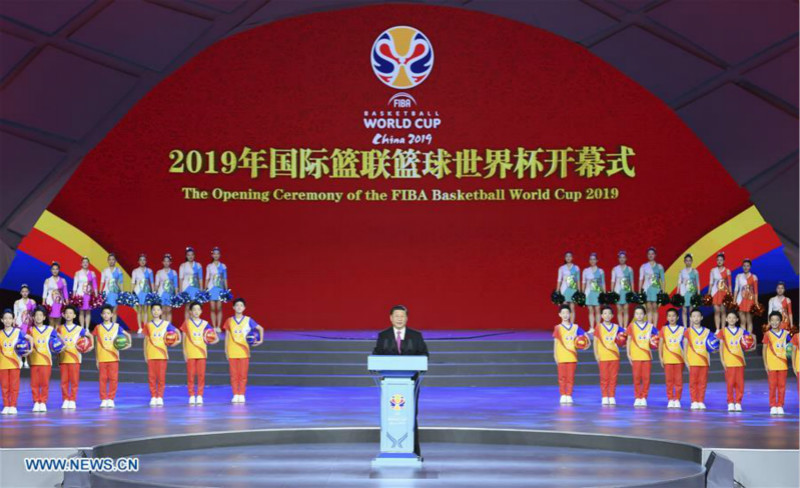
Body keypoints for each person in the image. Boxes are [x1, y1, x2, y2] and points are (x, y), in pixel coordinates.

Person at [372, 305, 429, 458]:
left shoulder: (416, 336)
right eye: (396, 316)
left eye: (402, 316)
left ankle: (414, 451)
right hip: (389, 385)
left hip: (411, 384)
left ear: (406, 318)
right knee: (391, 415)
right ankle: (389, 449)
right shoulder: (383, 336)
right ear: (391, 318)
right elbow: (376, 355)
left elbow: (425, 355)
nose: (399, 318)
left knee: (410, 416)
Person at [222, 298, 264, 404]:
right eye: (237, 305)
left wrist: (260, 340)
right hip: (232, 351)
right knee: (234, 375)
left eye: (241, 305)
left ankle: (242, 394)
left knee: (243, 375)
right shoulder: (229, 321)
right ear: (233, 307)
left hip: (244, 351)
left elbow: (261, 328)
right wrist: (226, 350)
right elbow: (227, 336)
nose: (239, 307)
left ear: (244, 308)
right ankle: (235, 394)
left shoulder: (248, 320)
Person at [92, 305, 132, 408]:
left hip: (114, 357)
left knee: (113, 379)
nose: (106, 315)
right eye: (104, 313)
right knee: (102, 379)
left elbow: (127, 335)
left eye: (108, 313)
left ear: (112, 315)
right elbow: (96, 344)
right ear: (101, 315)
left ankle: (111, 398)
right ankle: (103, 399)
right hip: (102, 358)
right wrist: (97, 359)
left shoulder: (116, 327)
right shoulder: (98, 327)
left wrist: (129, 344)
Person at [142, 304, 180, 407]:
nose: (156, 311)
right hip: (151, 354)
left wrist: (177, 341)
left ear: (161, 312)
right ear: (151, 312)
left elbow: (176, 331)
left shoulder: (166, 324)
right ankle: (153, 396)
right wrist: (145, 354)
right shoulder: (148, 325)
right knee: (151, 377)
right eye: (154, 310)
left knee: (161, 378)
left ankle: (160, 397)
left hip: (162, 355)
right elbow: (145, 341)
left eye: (158, 310)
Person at [182, 302, 218, 405]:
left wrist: (208, 340)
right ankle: (192, 395)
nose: (196, 311)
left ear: (201, 311)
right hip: (191, 353)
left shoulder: (205, 324)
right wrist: (185, 353)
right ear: (190, 312)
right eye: (194, 309)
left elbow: (215, 338)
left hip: (202, 354)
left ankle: (200, 395)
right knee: (190, 376)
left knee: (201, 375)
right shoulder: (187, 323)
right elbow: (184, 340)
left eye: (198, 309)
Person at [552, 304, 587, 405]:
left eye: (567, 313)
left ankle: (569, 395)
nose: (565, 315)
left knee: (570, 377)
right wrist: (555, 355)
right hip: (561, 356)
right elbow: (556, 342)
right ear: (559, 315)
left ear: (570, 314)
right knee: (562, 377)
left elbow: (585, 337)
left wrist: (585, 345)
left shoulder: (575, 327)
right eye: (563, 313)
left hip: (572, 356)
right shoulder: (557, 328)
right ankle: (563, 394)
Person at [57, 305, 92, 409]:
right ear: (63, 315)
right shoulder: (60, 329)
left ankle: (72, 399)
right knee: (64, 381)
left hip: (75, 358)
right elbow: (55, 342)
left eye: (71, 313)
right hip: (63, 358)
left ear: (74, 315)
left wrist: (91, 346)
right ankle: (65, 399)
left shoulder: (78, 329)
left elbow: (89, 335)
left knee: (74, 381)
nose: (68, 315)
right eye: (66, 313)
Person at [716, 311, 750, 412]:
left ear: (737, 319)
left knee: (740, 384)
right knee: (730, 384)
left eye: (733, 318)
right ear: (726, 319)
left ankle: (738, 403)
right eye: (729, 318)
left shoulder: (742, 331)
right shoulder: (723, 331)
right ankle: (730, 402)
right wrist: (722, 361)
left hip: (739, 362)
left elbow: (749, 343)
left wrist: (749, 345)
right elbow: (721, 347)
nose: (731, 319)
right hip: (728, 362)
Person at [1, 309, 32, 415]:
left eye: (10, 318)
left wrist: (30, 350)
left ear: (13, 319)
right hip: (3, 365)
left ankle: (13, 406)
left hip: (15, 364)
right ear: (2, 320)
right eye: (5, 318)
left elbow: (30, 338)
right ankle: (6, 406)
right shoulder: (0, 334)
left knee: (14, 386)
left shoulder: (18, 332)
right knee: (5, 386)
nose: (8, 320)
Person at [29, 306, 57, 412]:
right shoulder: (30, 330)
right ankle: (36, 402)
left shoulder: (50, 330)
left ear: (44, 317)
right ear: (33, 317)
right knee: (34, 383)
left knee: (45, 383)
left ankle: (43, 402)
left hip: (46, 361)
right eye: (36, 315)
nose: (38, 317)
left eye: (41, 315)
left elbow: (56, 342)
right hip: (34, 361)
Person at [626, 305, 654, 407]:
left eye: (641, 313)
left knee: (646, 378)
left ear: (645, 315)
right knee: (637, 378)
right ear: (634, 315)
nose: (639, 315)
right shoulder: (631, 326)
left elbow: (657, 337)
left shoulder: (650, 326)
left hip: (647, 356)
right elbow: (628, 340)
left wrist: (653, 341)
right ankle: (637, 397)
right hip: (636, 356)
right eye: (637, 314)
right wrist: (628, 354)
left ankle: (644, 397)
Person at [593, 306, 620, 406]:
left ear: (612, 315)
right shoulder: (598, 327)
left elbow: (624, 337)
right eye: (605, 313)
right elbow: (595, 342)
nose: (607, 315)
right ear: (601, 315)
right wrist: (596, 355)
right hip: (603, 357)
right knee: (604, 378)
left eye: (609, 313)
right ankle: (604, 396)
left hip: (614, 356)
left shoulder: (617, 327)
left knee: (613, 378)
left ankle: (612, 396)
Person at [684, 309, 710, 410]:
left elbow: (712, 346)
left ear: (701, 317)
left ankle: (701, 401)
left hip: (704, 361)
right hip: (693, 361)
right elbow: (685, 348)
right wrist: (686, 361)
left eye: (698, 316)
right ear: (690, 318)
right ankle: (694, 401)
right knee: (693, 383)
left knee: (702, 383)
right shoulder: (688, 332)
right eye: (693, 316)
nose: (696, 318)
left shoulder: (707, 331)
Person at [762, 311, 788, 416]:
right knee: (772, 386)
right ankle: (773, 405)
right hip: (771, 365)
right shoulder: (767, 334)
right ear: (769, 321)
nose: (774, 322)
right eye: (772, 320)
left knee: (782, 386)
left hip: (783, 364)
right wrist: (765, 364)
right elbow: (764, 350)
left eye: (777, 320)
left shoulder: (786, 334)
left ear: (780, 321)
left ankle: (780, 405)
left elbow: (791, 347)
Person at [659, 308, 685, 408]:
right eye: (669, 316)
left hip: (679, 359)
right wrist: (661, 357)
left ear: (677, 317)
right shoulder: (664, 329)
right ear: (667, 318)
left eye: (673, 316)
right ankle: (670, 399)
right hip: (668, 359)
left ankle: (677, 399)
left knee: (678, 381)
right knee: (669, 381)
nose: (671, 318)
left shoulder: (682, 330)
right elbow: (661, 344)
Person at [639, 247, 665, 326]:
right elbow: (641, 279)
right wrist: (640, 291)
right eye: (649, 254)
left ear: (655, 255)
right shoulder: (643, 266)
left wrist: (663, 292)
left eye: (652, 254)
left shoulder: (660, 267)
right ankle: (650, 327)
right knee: (648, 309)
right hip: (646, 289)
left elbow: (663, 280)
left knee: (655, 308)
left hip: (656, 290)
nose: (651, 255)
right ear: (647, 255)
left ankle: (655, 327)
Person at [206, 247, 228, 333]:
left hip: (220, 289)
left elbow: (225, 278)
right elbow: (207, 278)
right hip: (211, 288)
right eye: (214, 253)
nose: (216, 255)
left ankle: (218, 326)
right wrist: (205, 289)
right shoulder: (209, 266)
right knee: (212, 308)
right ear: (212, 255)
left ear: (220, 255)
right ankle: (213, 326)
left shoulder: (223, 266)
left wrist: (226, 289)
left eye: (217, 253)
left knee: (219, 308)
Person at [131, 253, 155, 335]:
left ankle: (145, 326)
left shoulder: (149, 271)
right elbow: (133, 282)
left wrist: (153, 292)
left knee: (145, 310)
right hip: (137, 292)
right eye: (141, 260)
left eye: (144, 260)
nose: (142, 261)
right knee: (139, 310)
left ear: (146, 261)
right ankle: (139, 327)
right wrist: (132, 293)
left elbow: (152, 282)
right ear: (138, 261)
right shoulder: (135, 271)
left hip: (146, 292)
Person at [13, 284, 35, 369]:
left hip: (28, 324)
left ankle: (26, 361)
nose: (24, 293)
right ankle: (19, 360)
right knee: (19, 342)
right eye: (23, 292)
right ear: (20, 293)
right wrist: (14, 323)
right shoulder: (17, 302)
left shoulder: (32, 302)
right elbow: (15, 314)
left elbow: (33, 314)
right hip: (19, 324)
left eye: (26, 291)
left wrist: (32, 325)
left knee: (27, 342)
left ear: (28, 292)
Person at [72, 256, 98, 329]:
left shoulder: (92, 273)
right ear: (81, 264)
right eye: (83, 262)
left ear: (89, 264)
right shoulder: (77, 273)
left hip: (89, 294)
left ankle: (87, 328)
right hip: (80, 294)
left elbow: (95, 285)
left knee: (88, 312)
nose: (85, 263)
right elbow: (75, 285)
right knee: (81, 311)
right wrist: (74, 295)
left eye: (86, 262)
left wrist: (96, 294)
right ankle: (82, 327)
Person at [611, 251, 634, 329]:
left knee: (626, 309)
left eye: (623, 257)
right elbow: (612, 281)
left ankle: (625, 327)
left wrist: (632, 292)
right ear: (618, 259)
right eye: (620, 257)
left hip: (626, 291)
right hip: (617, 291)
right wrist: (612, 292)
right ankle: (620, 327)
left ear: (626, 259)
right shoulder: (615, 269)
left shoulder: (630, 269)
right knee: (619, 310)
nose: (622, 259)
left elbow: (631, 281)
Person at [709, 252, 732, 332]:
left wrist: (730, 295)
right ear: (716, 261)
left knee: (723, 311)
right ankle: (717, 329)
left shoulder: (727, 271)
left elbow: (729, 284)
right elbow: (711, 283)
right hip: (715, 292)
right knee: (716, 311)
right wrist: (708, 294)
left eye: (721, 260)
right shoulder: (713, 270)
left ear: (724, 261)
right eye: (718, 260)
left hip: (723, 293)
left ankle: (723, 329)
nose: (719, 261)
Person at [734, 259, 758, 333]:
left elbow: (756, 292)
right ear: (742, 267)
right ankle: (744, 338)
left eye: (747, 266)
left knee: (749, 320)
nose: (746, 267)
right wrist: (734, 301)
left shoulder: (754, 277)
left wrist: (756, 302)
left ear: (750, 267)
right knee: (742, 321)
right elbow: (736, 289)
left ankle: (749, 338)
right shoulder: (738, 276)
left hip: (750, 301)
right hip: (740, 300)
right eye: (744, 266)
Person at [582, 253, 605, 331]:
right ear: (589, 261)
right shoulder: (586, 271)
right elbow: (583, 282)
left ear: (597, 260)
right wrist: (582, 293)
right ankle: (591, 327)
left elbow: (603, 283)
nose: (592, 261)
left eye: (594, 259)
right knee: (590, 310)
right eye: (591, 259)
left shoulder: (601, 271)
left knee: (597, 309)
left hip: (597, 293)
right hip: (588, 293)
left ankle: (598, 327)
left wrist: (604, 294)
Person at [100, 253, 124, 323]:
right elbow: (102, 282)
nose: (111, 261)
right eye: (110, 259)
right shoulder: (104, 271)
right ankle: (107, 325)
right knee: (107, 311)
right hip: (107, 292)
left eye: (113, 259)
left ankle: (113, 326)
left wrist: (122, 293)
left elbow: (121, 282)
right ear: (107, 261)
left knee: (114, 311)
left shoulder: (119, 270)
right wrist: (100, 292)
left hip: (115, 293)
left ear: (115, 261)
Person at [43, 262, 68, 328]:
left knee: (58, 321)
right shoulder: (47, 280)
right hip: (50, 303)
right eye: (53, 269)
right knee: (51, 321)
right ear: (51, 270)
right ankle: (51, 336)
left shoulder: (63, 280)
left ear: (59, 270)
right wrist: (43, 302)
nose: (55, 271)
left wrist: (67, 301)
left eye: (56, 269)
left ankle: (56, 337)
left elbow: (65, 292)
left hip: (59, 303)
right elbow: (44, 293)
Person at [180, 247, 203, 319]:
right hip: (186, 287)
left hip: (195, 288)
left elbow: (200, 278)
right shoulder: (183, 265)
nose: (190, 256)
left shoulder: (198, 265)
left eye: (192, 255)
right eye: (188, 255)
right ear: (186, 256)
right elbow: (181, 279)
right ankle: (186, 325)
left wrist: (201, 288)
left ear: (194, 255)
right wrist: (181, 290)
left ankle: (194, 324)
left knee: (195, 306)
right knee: (187, 307)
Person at [556, 252, 580, 322]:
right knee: (564, 308)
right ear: (565, 258)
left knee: (572, 308)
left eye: (570, 256)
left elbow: (578, 280)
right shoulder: (561, 268)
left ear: (572, 258)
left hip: (573, 289)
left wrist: (579, 291)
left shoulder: (576, 268)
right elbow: (559, 280)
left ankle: (572, 325)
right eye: (567, 256)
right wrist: (557, 291)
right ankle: (564, 325)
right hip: (564, 290)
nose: (568, 258)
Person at [155, 254, 179, 324]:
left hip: (170, 293)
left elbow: (176, 285)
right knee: (162, 310)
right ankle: (163, 327)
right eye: (165, 261)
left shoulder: (174, 272)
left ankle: (169, 327)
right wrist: (154, 294)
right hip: (161, 293)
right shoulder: (159, 272)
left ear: (170, 262)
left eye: (168, 261)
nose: (166, 263)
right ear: (162, 262)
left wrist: (176, 294)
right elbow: (157, 284)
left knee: (169, 310)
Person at [677, 254, 700, 326]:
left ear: (692, 261)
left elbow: (697, 283)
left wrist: (698, 294)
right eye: (686, 261)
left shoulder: (695, 271)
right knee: (684, 310)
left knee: (691, 310)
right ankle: (685, 327)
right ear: (684, 261)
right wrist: (678, 293)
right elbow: (679, 283)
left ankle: (691, 326)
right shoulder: (681, 272)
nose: (688, 262)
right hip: (684, 292)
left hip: (692, 292)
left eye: (689, 260)